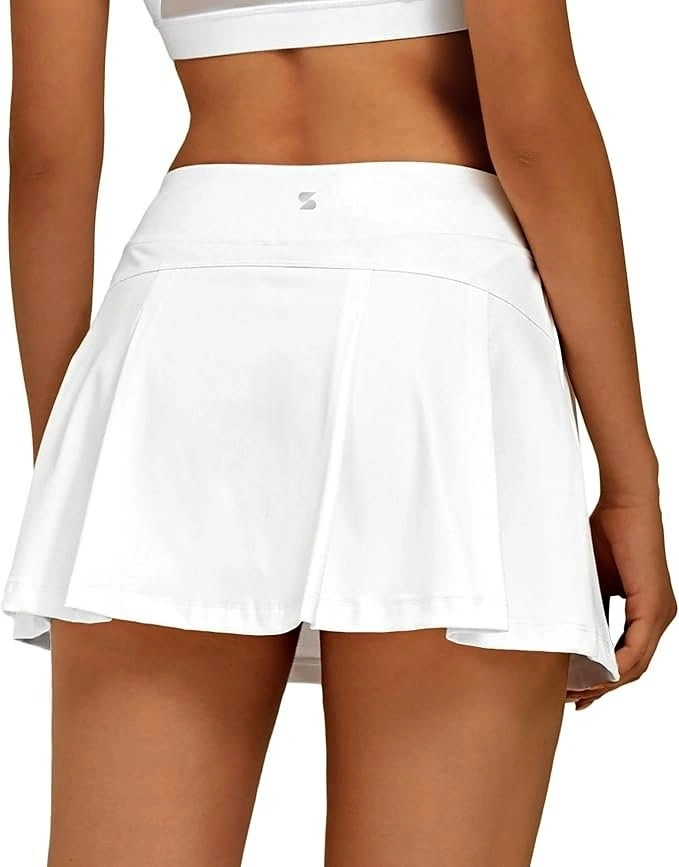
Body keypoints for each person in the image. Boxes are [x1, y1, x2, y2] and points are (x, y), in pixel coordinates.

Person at [3, 1, 676, 865]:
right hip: (436, 308)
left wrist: (75, 470)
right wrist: (629, 482)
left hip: (181, 306)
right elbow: (535, 124)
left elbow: (48, 151)